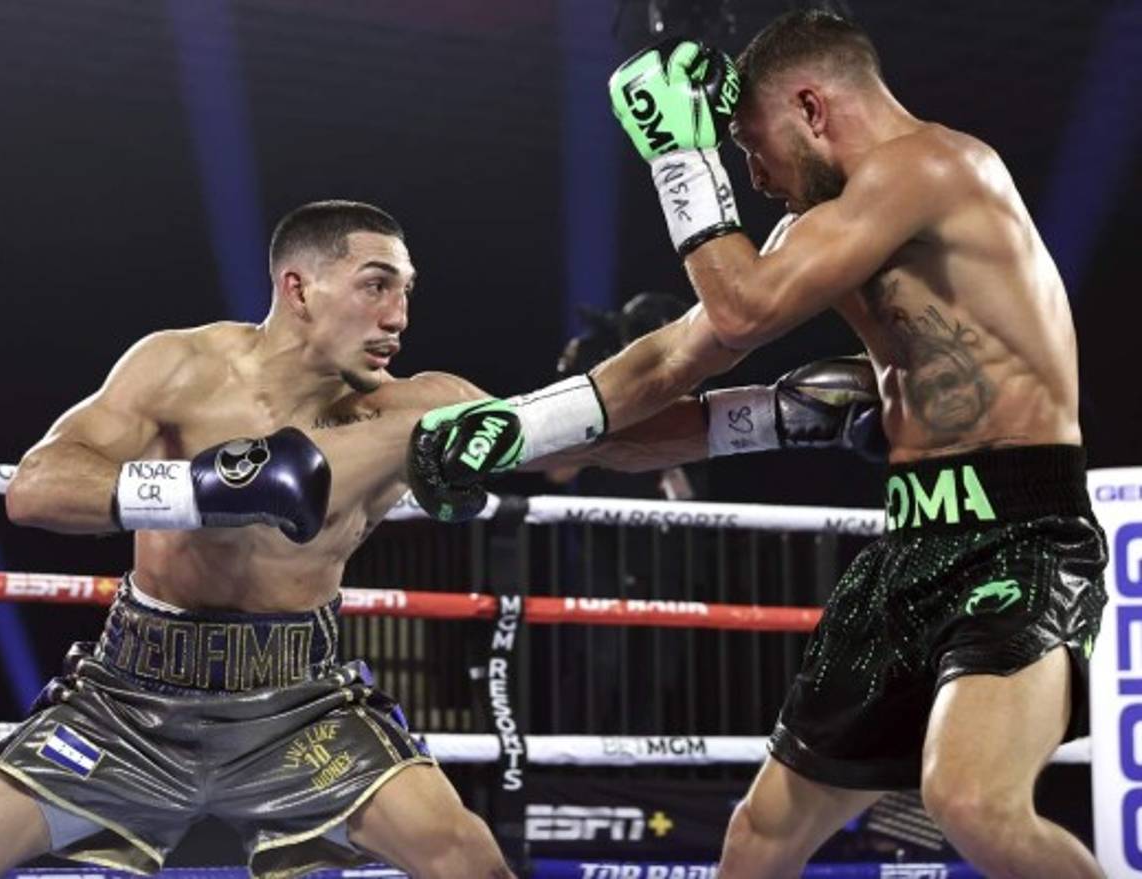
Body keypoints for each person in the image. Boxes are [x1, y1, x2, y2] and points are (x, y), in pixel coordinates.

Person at [410, 10, 1107, 878]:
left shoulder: (933, 166)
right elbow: (671, 358)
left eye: (750, 146)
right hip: (910, 547)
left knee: (970, 800)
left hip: (1020, 538)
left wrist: (679, 154)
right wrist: (520, 429)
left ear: (813, 108)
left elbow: (742, 305)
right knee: (759, 838)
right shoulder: (819, 229)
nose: (755, 176)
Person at [0, 200, 517, 879]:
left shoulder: (411, 408)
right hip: (127, 702)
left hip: (302, 706)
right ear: (299, 288)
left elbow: (571, 436)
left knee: (470, 862)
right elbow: (37, 487)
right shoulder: (181, 366)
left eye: (407, 290)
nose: (399, 316)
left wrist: (663, 348)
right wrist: (205, 491)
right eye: (378, 285)